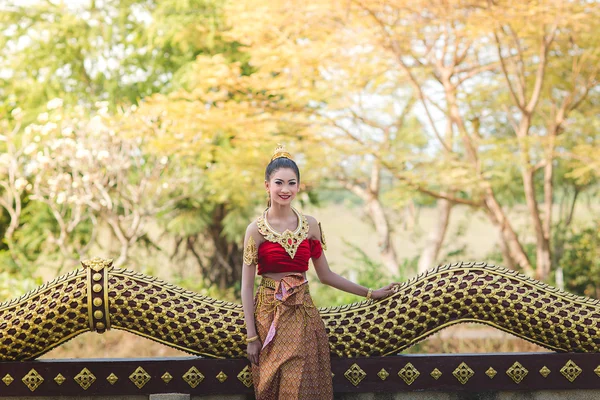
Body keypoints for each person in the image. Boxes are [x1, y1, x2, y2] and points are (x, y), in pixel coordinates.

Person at [241, 144, 398, 400]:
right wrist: (251, 336)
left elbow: (326, 275)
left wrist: (371, 293)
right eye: (279, 183)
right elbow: (246, 286)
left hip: (303, 315)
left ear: (298, 187)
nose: (285, 189)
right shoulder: (255, 230)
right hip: (268, 315)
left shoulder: (310, 226)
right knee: (271, 385)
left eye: (292, 183)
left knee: (301, 383)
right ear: (267, 185)